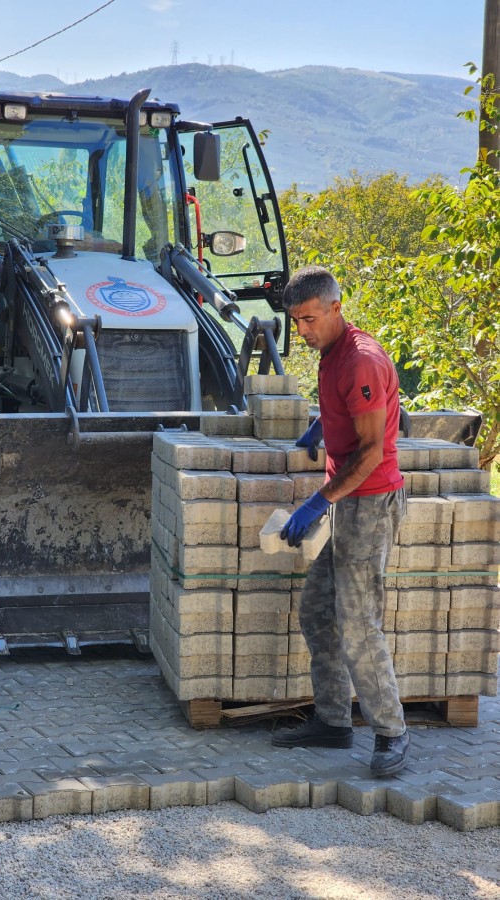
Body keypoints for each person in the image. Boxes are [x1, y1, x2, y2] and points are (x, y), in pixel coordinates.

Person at [272, 265, 410, 778]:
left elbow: (372, 452)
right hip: (346, 501)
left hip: (369, 504)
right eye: (296, 322)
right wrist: (319, 428)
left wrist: (315, 502)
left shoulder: (361, 362)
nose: (302, 331)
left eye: (309, 319)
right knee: (315, 611)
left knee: (358, 625)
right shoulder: (332, 353)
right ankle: (332, 722)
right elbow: (350, 416)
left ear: (335, 307)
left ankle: (392, 731)